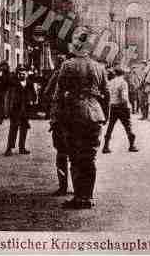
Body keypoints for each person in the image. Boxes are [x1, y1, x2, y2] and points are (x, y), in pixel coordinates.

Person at [54, 33, 108, 209]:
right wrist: (104, 115)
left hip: (74, 114)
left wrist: (58, 117)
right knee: (90, 157)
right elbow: (106, 94)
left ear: (76, 48)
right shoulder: (99, 67)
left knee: (75, 157)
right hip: (95, 115)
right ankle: (88, 197)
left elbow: (59, 94)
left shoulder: (67, 65)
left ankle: (78, 197)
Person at [43, 55, 70, 196]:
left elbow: (47, 93)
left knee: (61, 154)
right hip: (76, 119)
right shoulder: (77, 74)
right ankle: (77, 187)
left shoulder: (57, 75)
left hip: (60, 119)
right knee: (76, 154)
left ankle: (63, 186)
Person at [103, 66, 138, 154]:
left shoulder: (111, 82)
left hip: (113, 106)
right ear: (123, 73)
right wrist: (128, 106)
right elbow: (124, 97)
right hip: (122, 107)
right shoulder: (123, 82)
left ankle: (106, 146)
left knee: (110, 127)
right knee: (128, 126)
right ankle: (132, 145)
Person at [4, 67, 36, 157]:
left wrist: (32, 100)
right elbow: (9, 96)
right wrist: (8, 109)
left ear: (26, 74)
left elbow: (34, 95)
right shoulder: (13, 84)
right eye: (20, 73)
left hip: (25, 109)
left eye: (23, 73)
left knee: (24, 128)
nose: (22, 75)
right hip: (15, 109)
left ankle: (22, 147)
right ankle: (9, 148)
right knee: (13, 128)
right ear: (17, 74)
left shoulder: (29, 83)